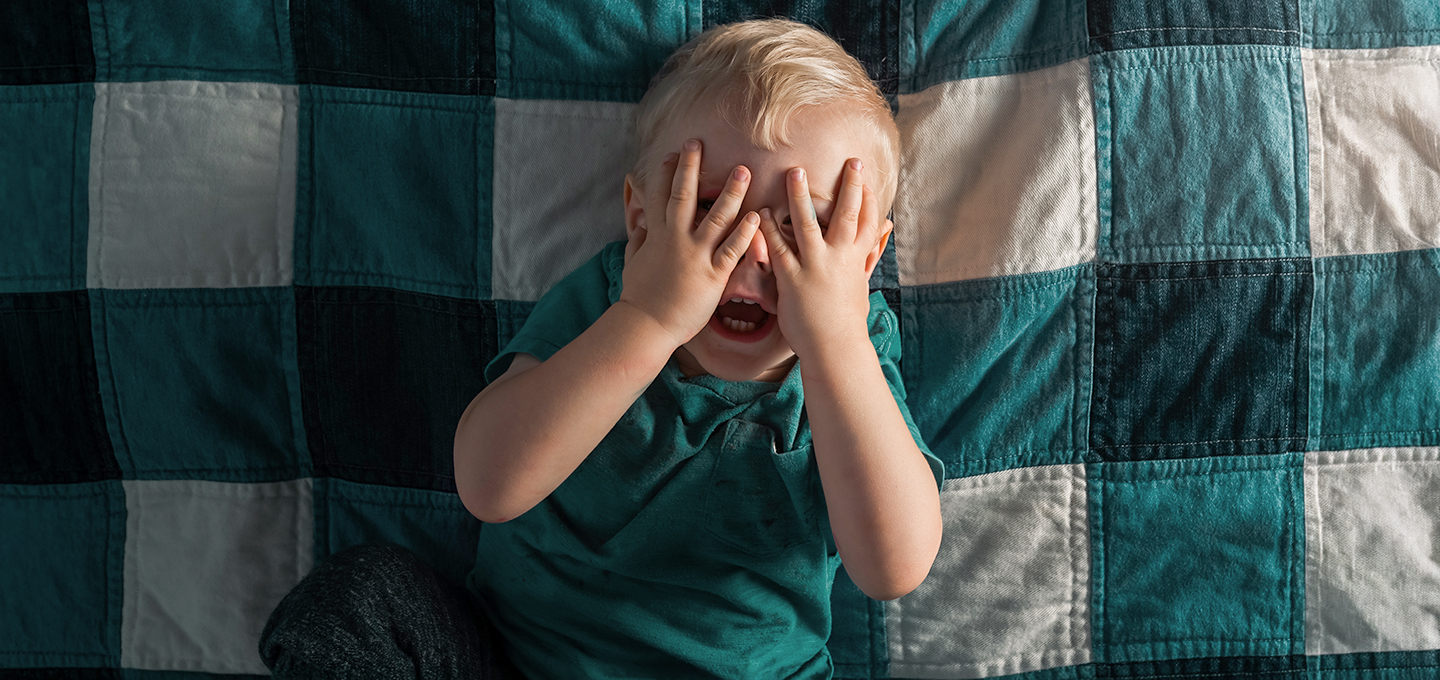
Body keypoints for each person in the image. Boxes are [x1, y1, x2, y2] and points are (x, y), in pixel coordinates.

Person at [261, 18, 943, 680]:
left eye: (806, 227)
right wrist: (649, 317)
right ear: (641, 218)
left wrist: (835, 342)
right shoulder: (612, 299)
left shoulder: (857, 346)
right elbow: (488, 486)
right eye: (712, 210)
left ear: (867, 257)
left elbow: (893, 569)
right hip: (516, 663)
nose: (752, 254)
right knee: (363, 596)